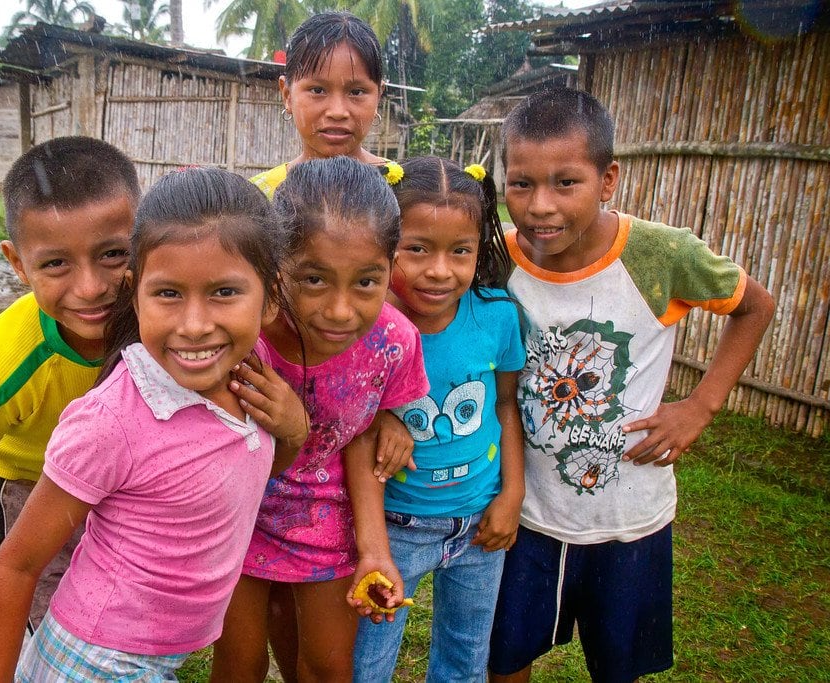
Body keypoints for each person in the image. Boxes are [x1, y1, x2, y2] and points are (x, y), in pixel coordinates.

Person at [0, 167, 309, 681]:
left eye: (224, 293)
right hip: (96, 663)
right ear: (135, 293)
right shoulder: (112, 423)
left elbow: (249, 468)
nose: (195, 325)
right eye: (168, 294)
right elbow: (16, 566)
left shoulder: (250, 370)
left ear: (271, 297)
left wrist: (292, 428)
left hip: (158, 655)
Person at [488, 88, 775, 683]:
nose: (540, 206)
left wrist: (702, 405)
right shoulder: (496, 259)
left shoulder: (659, 255)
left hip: (632, 518)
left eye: (566, 183)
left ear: (608, 178)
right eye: (521, 184)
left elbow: (756, 305)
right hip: (526, 515)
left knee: (618, 667)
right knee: (505, 656)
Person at [210, 156, 429, 682]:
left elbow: (361, 438)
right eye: (313, 280)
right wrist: (289, 427)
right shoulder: (243, 338)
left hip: (327, 519)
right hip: (234, 516)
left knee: (327, 668)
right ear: (275, 267)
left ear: (390, 267)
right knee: (239, 667)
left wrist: (374, 550)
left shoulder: (394, 343)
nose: (339, 310)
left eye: (366, 283)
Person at [0, 136, 140, 638]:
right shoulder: (7, 360)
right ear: (16, 261)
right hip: (26, 488)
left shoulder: (158, 318)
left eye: (114, 254)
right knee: (41, 615)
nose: (91, 287)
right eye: (55, 263)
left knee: (109, 607)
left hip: (115, 484)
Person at [351, 157, 525, 682]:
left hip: (478, 526)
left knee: (465, 659)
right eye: (417, 249)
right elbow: (345, 415)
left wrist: (511, 494)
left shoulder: (498, 315)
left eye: (460, 251)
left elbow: (504, 405)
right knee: (368, 662)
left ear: (480, 249)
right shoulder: (365, 324)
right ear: (385, 246)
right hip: (396, 527)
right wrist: (384, 416)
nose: (439, 270)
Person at [252, 11, 390, 200]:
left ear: (378, 97)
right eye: (318, 90)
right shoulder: (258, 198)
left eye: (356, 92)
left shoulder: (406, 191)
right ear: (287, 95)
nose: (337, 112)